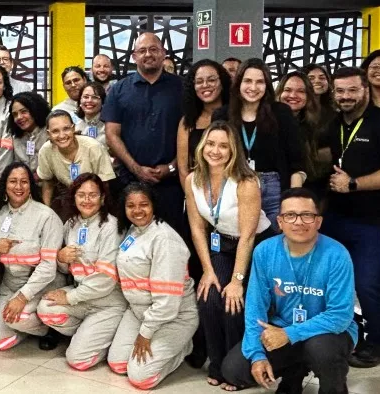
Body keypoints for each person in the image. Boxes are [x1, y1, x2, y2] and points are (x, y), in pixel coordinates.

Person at [318, 66, 380, 368]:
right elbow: (324, 157)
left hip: (377, 221)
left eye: (352, 90)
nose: (346, 96)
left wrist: (354, 184)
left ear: (366, 91)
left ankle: (378, 343)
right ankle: (342, 333)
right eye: (340, 91)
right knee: (330, 281)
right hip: (336, 217)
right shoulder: (334, 125)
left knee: (370, 281)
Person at [220, 188, 358, 394]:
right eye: (290, 215)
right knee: (234, 370)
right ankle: (295, 370)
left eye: (307, 215)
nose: (299, 222)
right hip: (282, 329)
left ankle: (335, 387)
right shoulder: (265, 251)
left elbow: (340, 316)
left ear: (318, 221)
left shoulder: (337, 254)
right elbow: (255, 308)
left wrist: (288, 334)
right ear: (280, 222)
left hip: (328, 333)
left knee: (322, 351)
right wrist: (257, 355)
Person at [183, 122, 272, 389]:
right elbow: (198, 229)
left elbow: (248, 236)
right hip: (220, 243)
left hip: (255, 246)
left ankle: (239, 369)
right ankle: (218, 362)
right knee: (208, 297)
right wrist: (208, 271)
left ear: (233, 150)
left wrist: (236, 280)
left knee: (234, 302)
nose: (216, 150)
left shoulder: (245, 182)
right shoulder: (193, 179)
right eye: (211, 144)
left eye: (223, 146)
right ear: (202, 146)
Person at [106, 183, 197, 390]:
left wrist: (145, 333)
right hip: (139, 312)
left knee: (140, 378)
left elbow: (167, 302)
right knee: (118, 364)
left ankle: (184, 347)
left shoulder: (164, 239)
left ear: (153, 205)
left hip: (174, 316)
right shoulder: (133, 230)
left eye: (143, 205)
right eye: (131, 206)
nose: (137, 211)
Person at [37, 173, 126, 370]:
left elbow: (105, 280)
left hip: (107, 302)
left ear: (102, 198)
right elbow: (64, 268)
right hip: (82, 296)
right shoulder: (70, 224)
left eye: (93, 195)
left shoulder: (111, 227)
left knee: (77, 360)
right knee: (45, 308)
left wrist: (70, 298)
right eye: (81, 195)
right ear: (74, 197)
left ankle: (103, 336)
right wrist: (61, 258)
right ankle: (88, 333)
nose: (87, 200)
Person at [102, 32, 185, 232]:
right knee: (130, 237)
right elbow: (111, 134)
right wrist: (136, 168)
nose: (148, 54)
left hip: (171, 182)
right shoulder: (119, 90)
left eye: (154, 49)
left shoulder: (182, 87)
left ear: (164, 53)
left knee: (171, 238)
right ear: (134, 56)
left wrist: (172, 167)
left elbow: (190, 133)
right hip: (130, 180)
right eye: (142, 50)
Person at [213, 59, 307, 231]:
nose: (253, 87)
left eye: (260, 82)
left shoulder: (281, 113)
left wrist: (293, 201)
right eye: (248, 81)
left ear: (267, 85)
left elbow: (296, 162)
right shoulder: (222, 115)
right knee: (240, 241)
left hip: (274, 189)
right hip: (235, 185)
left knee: (274, 242)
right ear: (238, 83)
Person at [0, 163, 66, 351]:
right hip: (10, 283)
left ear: (31, 185)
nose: (18, 187)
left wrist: (22, 298)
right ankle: (32, 325)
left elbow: (48, 267)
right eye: (13, 181)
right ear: (5, 185)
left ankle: (50, 328)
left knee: (18, 318)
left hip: (43, 284)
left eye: (24, 182)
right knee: (0, 342)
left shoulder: (46, 216)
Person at [37, 110, 115, 218]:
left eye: (66, 129)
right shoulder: (46, 151)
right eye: (55, 131)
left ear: (73, 128)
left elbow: (105, 185)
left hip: (95, 198)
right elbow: (47, 182)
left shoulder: (93, 147)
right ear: (48, 134)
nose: (62, 135)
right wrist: (46, 213)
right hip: (68, 197)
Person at [176, 59, 231, 183]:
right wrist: (193, 199)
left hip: (235, 191)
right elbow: (184, 170)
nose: (205, 85)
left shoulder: (235, 115)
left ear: (222, 83)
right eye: (199, 81)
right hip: (199, 191)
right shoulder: (188, 122)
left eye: (211, 80)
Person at [276, 71, 329, 197]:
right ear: (279, 93)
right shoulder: (266, 123)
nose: (293, 95)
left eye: (301, 91)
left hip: (305, 192)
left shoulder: (316, 126)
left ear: (309, 96)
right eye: (287, 90)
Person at [0, 92, 51, 173]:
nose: (19, 117)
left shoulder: (50, 133)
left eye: (24, 111)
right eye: (15, 114)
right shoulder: (15, 139)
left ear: (35, 110)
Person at [74, 82, 108, 149]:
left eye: (95, 97)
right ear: (80, 100)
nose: (89, 100)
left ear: (102, 101)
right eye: (86, 97)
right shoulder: (73, 124)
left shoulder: (110, 126)